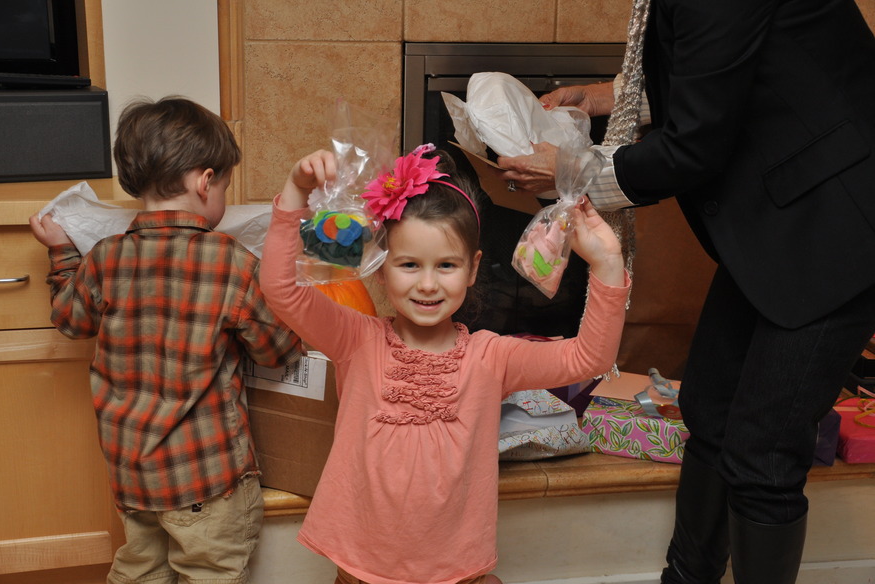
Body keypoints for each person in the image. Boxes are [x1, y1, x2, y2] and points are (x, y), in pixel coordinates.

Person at [497, 1, 875, 583]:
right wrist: (604, 96)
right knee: (710, 411)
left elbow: (696, 143)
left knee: (765, 451)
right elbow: (718, 67)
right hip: (780, 222)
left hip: (836, 224)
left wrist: (574, 169)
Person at [259, 144, 630, 584]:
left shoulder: (492, 356)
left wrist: (608, 262)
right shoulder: (356, 340)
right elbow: (281, 290)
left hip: (456, 571)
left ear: (472, 268)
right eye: (409, 264)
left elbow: (590, 357)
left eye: (446, 265)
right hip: (360, 568)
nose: (428, 284)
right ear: (381, 268)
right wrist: (296, 192)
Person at [29, 96, 304, 584]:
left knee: (141, 569)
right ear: (205, 181)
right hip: (207, 478)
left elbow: (70, 319)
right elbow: (278, 351)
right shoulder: (232, 262)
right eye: (224, 185)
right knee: (212, 572)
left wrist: (62, 254)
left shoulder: (105, 258)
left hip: (133, 476)